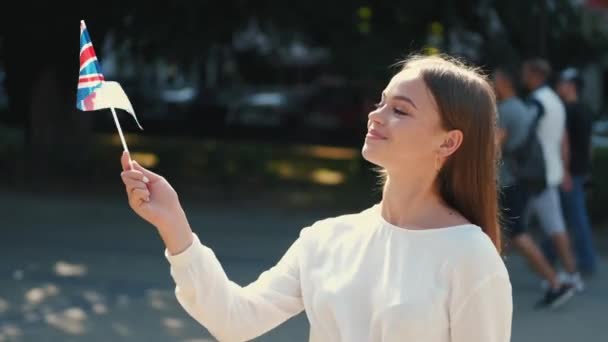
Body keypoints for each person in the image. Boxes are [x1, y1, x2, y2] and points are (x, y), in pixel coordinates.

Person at [120, 54, 512, 341]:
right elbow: (233, 319)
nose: (376, 115)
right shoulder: (327, 239)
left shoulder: (470, 256)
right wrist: (174, 225)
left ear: (448, 141)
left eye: (400, 110)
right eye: (380, 102)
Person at [493, 66, 575, 309]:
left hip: (506, 180)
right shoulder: (522, 107)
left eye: (494, 81)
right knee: (499, 234)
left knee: (518, 236)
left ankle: (555, 283)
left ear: (504, 84)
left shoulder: (507, 110)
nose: (491, 85)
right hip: (519, 179)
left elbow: (494, 147)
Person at [520, 58, 583, 290]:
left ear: (536, 75)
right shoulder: (555, 100)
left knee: (513, 228)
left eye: (525, 73)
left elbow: (523, 135)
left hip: (534, 175)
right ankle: (570, 274)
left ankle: (558, 276)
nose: (523, 77)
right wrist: (564, 169)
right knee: (554, 227)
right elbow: (562, 139)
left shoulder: (537, 102)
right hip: (549, 172)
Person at [550, 67, 598, 276]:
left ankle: (586, 261)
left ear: (571, 86)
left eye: (563, 83)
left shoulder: (567, 110)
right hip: (578, 171)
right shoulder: (586, 110)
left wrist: (566, 173)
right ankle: (549, 254)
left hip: (568, 173)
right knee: (560, 215)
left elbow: (565, 144)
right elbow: (590, 145)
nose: (559, 86)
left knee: (574, 218)